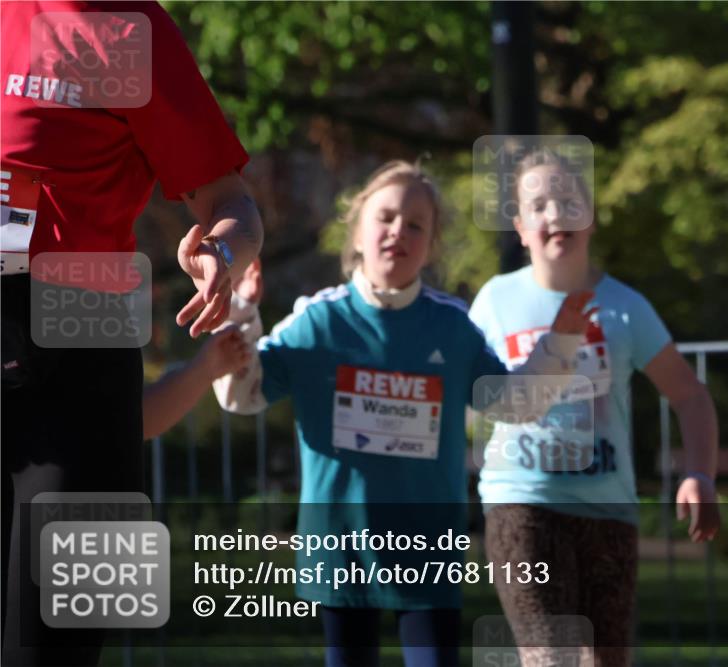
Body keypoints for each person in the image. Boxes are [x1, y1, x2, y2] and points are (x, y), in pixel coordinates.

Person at [211, 160, 595, 667]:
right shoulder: (318, 320)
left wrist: (561, 342)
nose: (399, 231)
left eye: (416, 224)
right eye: (386, 217)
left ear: (431, 245)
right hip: (340, 550)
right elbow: (244, 395)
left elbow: (513, 400)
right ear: (358, 230)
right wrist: (241, 314)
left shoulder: (451, 327)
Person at [1, 2, 262, 664]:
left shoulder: (131, 28)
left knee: (58, 639)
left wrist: (222, 256)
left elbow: (233, 205)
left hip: (79, 355)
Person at [469, 149, 721, 667]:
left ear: (591, 216)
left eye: (568, 201)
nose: (555, 215)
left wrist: (700, 473)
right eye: (539, 205)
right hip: (522, 503)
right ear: (520, 227)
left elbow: (689, 394)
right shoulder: (495, 301)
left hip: (609, 511)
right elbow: (471, 397)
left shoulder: (626, 307)